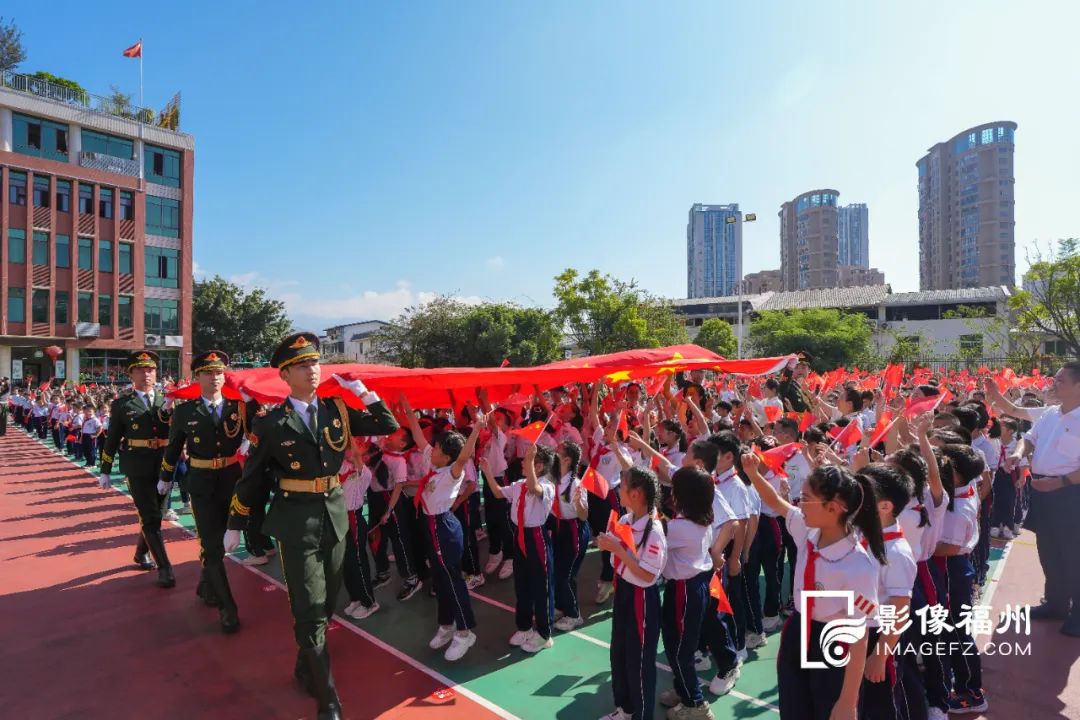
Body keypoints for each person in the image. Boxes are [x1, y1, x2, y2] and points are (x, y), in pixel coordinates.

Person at [223, 332, 399, 720]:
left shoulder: (336, 408)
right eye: (304, 365)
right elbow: (252, 476)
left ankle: (305, 667)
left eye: (316, 363)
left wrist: (364, 392)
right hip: (295, 518)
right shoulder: (271, 423)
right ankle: (328, 698)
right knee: (307, 607)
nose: (313, 370)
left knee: (326, 603)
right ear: (285, 375)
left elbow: (386, 424)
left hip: (334, 514)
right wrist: (235, 522)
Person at [745, 454, 884, 720]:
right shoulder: (807, 530)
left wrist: (848, 701)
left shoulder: (858, 566)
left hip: (834, 642)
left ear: (833, 508)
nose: (800, 503)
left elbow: (859, 638)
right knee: (794, 706)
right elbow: (777, 502)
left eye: (807, 498)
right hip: (799, 630)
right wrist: (753, 474)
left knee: (827, 707)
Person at [160, 350, 253, 633]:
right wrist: (166, 477)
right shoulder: (185, 410)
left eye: (219, 372)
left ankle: (206, 584)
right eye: (209, 373)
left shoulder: (238, 406)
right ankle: (228, 608)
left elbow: (258, 428)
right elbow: (174, 446)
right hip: (200, 482)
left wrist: (251, 436)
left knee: (225, 539)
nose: (215, 377)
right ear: (198, 377)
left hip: (231, 479)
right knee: (211, 545)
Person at [399, 392, 483, 662]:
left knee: (452, 579)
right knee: (439, 579)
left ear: (446, 458)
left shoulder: (451, 472)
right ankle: (446, 625)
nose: (430, 449)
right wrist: (407, 407)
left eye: (436, 449)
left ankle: (465, 631)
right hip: (431, 525)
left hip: (444, 527)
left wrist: (478, 427)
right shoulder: (434, 464)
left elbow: (464, 456)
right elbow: (418, 434)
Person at [1003, 361, 1080, 637]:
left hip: (1070, 493)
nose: (1053, 383)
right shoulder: (1049, 414)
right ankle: (1056, 603)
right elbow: (1029, 439)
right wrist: (1018, 453)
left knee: (1073, 553)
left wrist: (1060, 482)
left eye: (1060, 380)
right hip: (1043, 492)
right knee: (1048, 550)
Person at [98, 351, 175, 587]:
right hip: (136, 465)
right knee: (150, 516)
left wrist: (171, 410)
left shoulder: (167, 400)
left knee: (155, 515)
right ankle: (165, 568)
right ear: (131, 373)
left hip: (163, 465)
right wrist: (105, 469)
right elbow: (112, 438)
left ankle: (140, 553)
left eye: (150, 369)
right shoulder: (122, 404)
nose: (146, 374)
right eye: (141, 370)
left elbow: (173, 434)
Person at [597, 466, 668, 720]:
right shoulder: (626, 520)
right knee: (619, 654)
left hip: (641, 599)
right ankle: (625, 709)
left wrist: (617, 550)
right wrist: (607, 542)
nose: (618, 488)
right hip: (624, 592)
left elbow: (648, 575)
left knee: (639, 662)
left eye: (622, 485)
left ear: (636, 493)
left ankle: (641, 714)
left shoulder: (655, 531)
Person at [482, 442, 557, 653]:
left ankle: (544, 633)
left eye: (528, 460)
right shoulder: (519, 484)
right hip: (520, 537)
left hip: (536, 538)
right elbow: (498, 493)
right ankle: (524, 627)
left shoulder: (547, 485)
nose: (522, 462)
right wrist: (488, 473)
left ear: (539, 465)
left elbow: (536, 489)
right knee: (522, 585)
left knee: (542, 587)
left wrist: (531, 460)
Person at [658, 466, 718, 720]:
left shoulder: (680, 527)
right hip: (691, 587)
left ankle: (696, 703)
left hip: (685, 589)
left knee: (681, 649)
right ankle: (683, 691)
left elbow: (654, 536)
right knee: (674, 641)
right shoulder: (702, 519)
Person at [548, 440, 591, 631]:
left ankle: (574, 614)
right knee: (556, 570)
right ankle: (561, 605)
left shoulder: (576, 484)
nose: (553, 454)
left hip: (573, 530)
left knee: (566, 574)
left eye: (557, 452)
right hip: (559, 527)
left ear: (566, 460)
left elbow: (583, 515)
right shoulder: (553, 478)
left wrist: (579, 503)